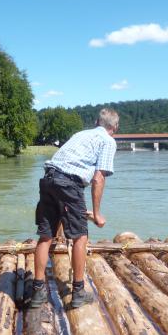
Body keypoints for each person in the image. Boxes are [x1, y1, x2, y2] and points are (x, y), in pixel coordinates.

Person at [30, 107, 119, 309]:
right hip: (68, 184)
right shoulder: (108, 140)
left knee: (46, 236)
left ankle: (37, 292)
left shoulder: (81, 134)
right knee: (80, 236)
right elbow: (98, 178)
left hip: (48, 179)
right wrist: (96, 214)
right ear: (115, 127)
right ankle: (78, 292)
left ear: (97, 122)